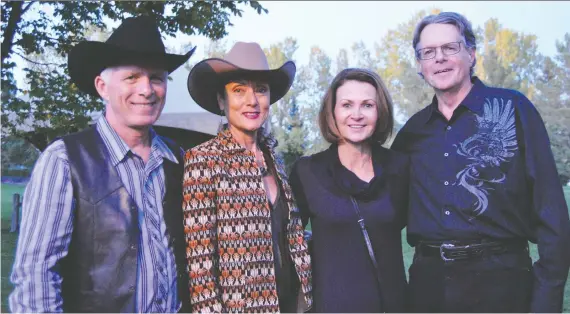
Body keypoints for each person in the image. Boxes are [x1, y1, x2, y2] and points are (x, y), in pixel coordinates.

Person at [9, 16, 196, 313]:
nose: (147, 89)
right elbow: (36, 278)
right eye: (132, 77)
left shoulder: (181, 161)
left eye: (156, 78)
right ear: (102, 87)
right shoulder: (64, 160)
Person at [391, 11, 570, 313]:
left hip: (503, 286)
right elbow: (384, 211)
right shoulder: (412, 133)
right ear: (420, 66)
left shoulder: (513, 109)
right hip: (429, 289)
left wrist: (546, 303)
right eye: (428, 52)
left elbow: (552, 216)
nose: (439, 58)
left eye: (450, 48)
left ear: (471, 54)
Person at [184, 42, 313, 312]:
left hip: (290, 303)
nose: (252, 100)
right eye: (239, 90)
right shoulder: (203, 160)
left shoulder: (274, 159)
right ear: (222, 100)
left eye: (261, 90)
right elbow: (200, 265)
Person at [289, 68, 409, 313]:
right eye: (346, 105)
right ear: (332, 112)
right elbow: (289, 244)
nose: (356, 115)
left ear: (380, 111)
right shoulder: (307, 172)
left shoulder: (401, 168)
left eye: (367, 105)